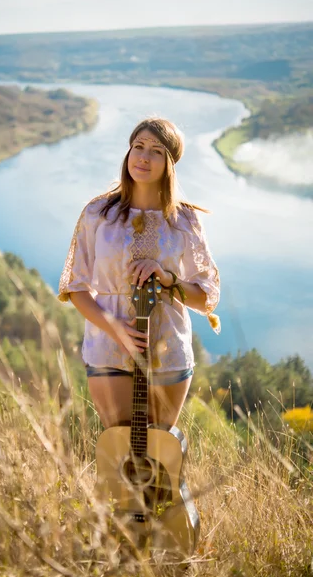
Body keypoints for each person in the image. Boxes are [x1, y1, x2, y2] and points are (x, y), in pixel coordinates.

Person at [58, 117, 220, 430]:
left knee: (160, 451)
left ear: (170, 164)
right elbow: (75, 287)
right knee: (118, 447)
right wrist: (116, 329)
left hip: (168, 351)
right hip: (108, 347)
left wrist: (168, 279)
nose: (143, 157)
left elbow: (206, 299)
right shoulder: (97, 213)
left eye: (156, 151)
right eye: (138, 147)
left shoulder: (185, 221)